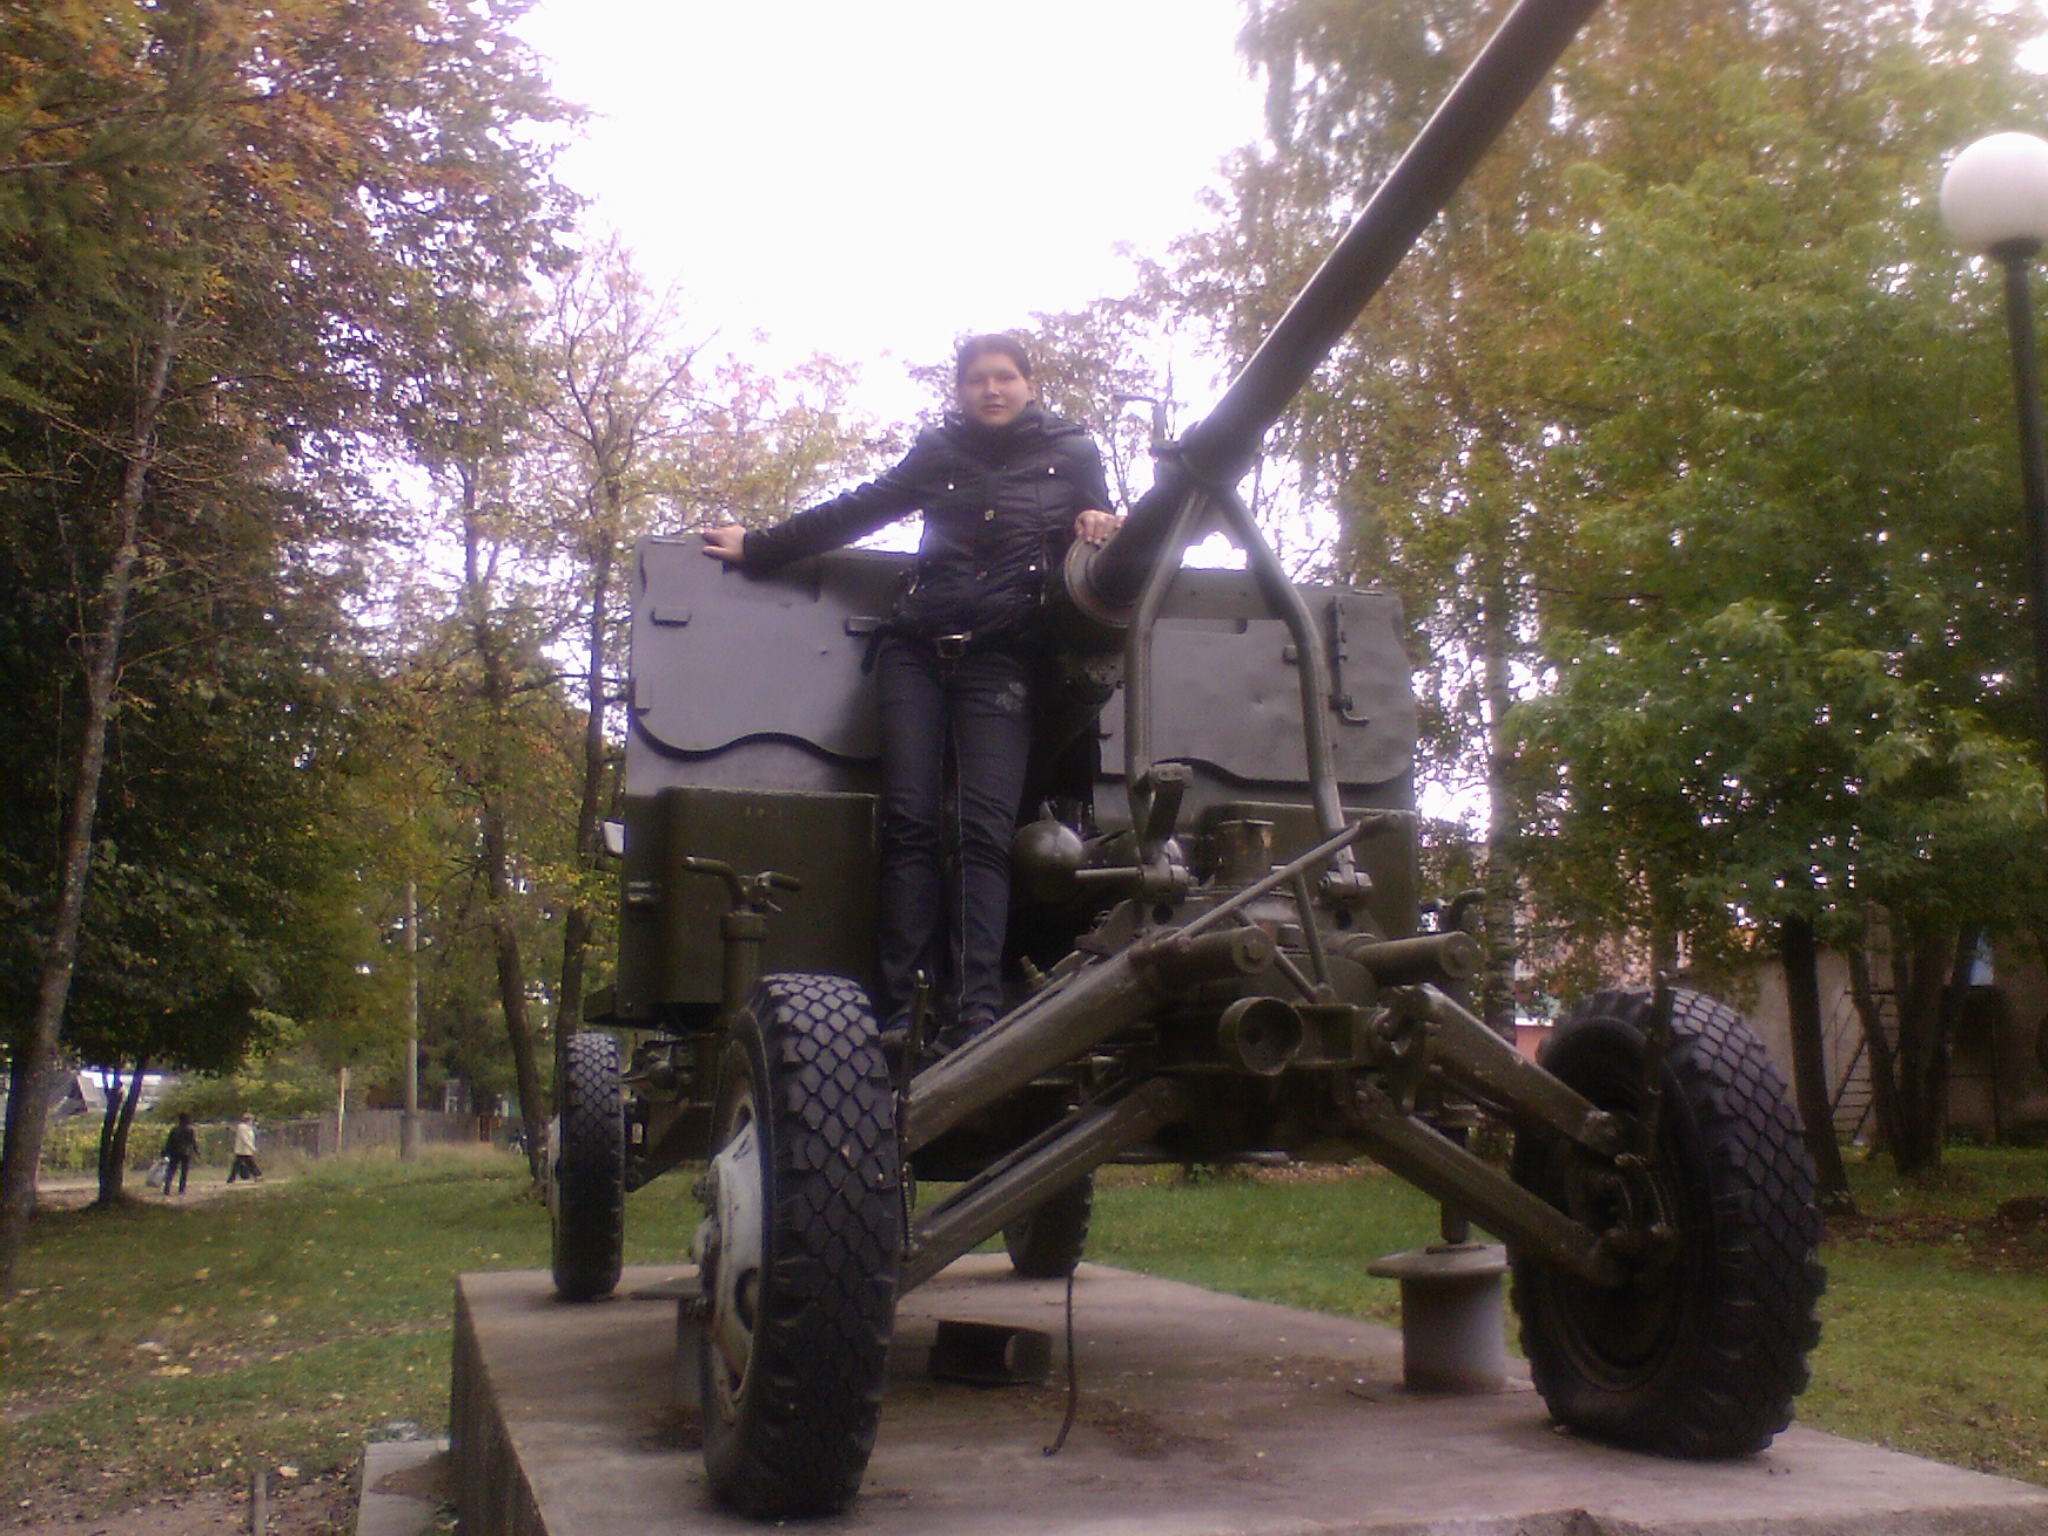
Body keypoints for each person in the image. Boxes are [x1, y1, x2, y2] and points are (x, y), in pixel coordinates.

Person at [702, 334, 1118, 1053]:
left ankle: (977, 1010)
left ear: (1029, 384)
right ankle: (904, 1009)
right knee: (909, 826)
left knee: (985, 834)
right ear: (961, 390)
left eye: (1005, 377)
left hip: (1003, 656)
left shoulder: (1073, 452)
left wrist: (1101, 521)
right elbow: (861, 507)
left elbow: (1102, 522)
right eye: (978, 379)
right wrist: (760, 545)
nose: (992, 389)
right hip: (916, 650)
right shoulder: (938, 450)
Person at [160, 1112, 199, 1197]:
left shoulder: (174, 1130)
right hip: (186, 1153)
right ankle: (181, 1189)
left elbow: (169, 1142)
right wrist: (197, 1152)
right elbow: (193, 1142)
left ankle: (167, 1188)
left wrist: (165, 1152)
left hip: (174, 1152)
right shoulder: (190, 1130)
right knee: (184, 1172)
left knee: (171, 1170)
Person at [227, 1112, 263, 1183]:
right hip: (242, 1150)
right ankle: (257, 1175)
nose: (252, 1122)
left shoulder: (248, 1128)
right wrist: (253, 1148)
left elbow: (251, 1138)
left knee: (241, 1164)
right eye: (251, 1120)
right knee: (248, 1163)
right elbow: (245, 1139)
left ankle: (231, 1179)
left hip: (245, 1150)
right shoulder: (242, 1128)